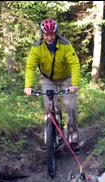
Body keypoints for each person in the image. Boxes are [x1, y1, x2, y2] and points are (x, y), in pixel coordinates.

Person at [24, 19, 80, 151]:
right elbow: (30, 67)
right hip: (48, 78)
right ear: (42, 35)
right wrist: (28, 85)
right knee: (50, 107)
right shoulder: (37, 47)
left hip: (66, 78)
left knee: (70, 106)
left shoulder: (65, 44)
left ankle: (73, 139)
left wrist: (74, 84)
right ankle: (54, 137)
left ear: (56, 34)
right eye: (46, 35)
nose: (49, 38)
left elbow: (75, 64)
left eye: (52, 34)